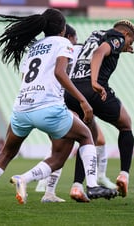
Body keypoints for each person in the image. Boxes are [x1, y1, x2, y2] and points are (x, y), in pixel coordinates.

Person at [0, 9, 117, 209]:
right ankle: (91, 186)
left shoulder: (33, 48)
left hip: (22, 108)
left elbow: (25, 79)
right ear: (63, 29)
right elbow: (59, 73)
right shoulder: (64, 43)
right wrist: (83, 100)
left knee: (7, 153)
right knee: (85, 135)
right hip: (48, 108)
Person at [36, 24, 116, 203]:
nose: (77, 41)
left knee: (64, 147)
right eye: (75, 37)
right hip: (71, 101)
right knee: (70, 147)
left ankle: (49, 189)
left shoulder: (49, 52)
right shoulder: (71, 49)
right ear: (68, 37)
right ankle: (32, 180)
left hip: (48, 101)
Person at [64, 20, 134, 201]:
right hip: (92, 90)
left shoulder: (97, 34)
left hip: (72, 91)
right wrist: (95, 82)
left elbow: (94, 50)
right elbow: (99, 53)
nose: (128, 46)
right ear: (126, 35)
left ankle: (77, 186)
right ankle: (124, 175)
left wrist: (121, 49)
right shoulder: (118, 37)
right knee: (126, 124)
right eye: (130, 42)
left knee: (86, 137)